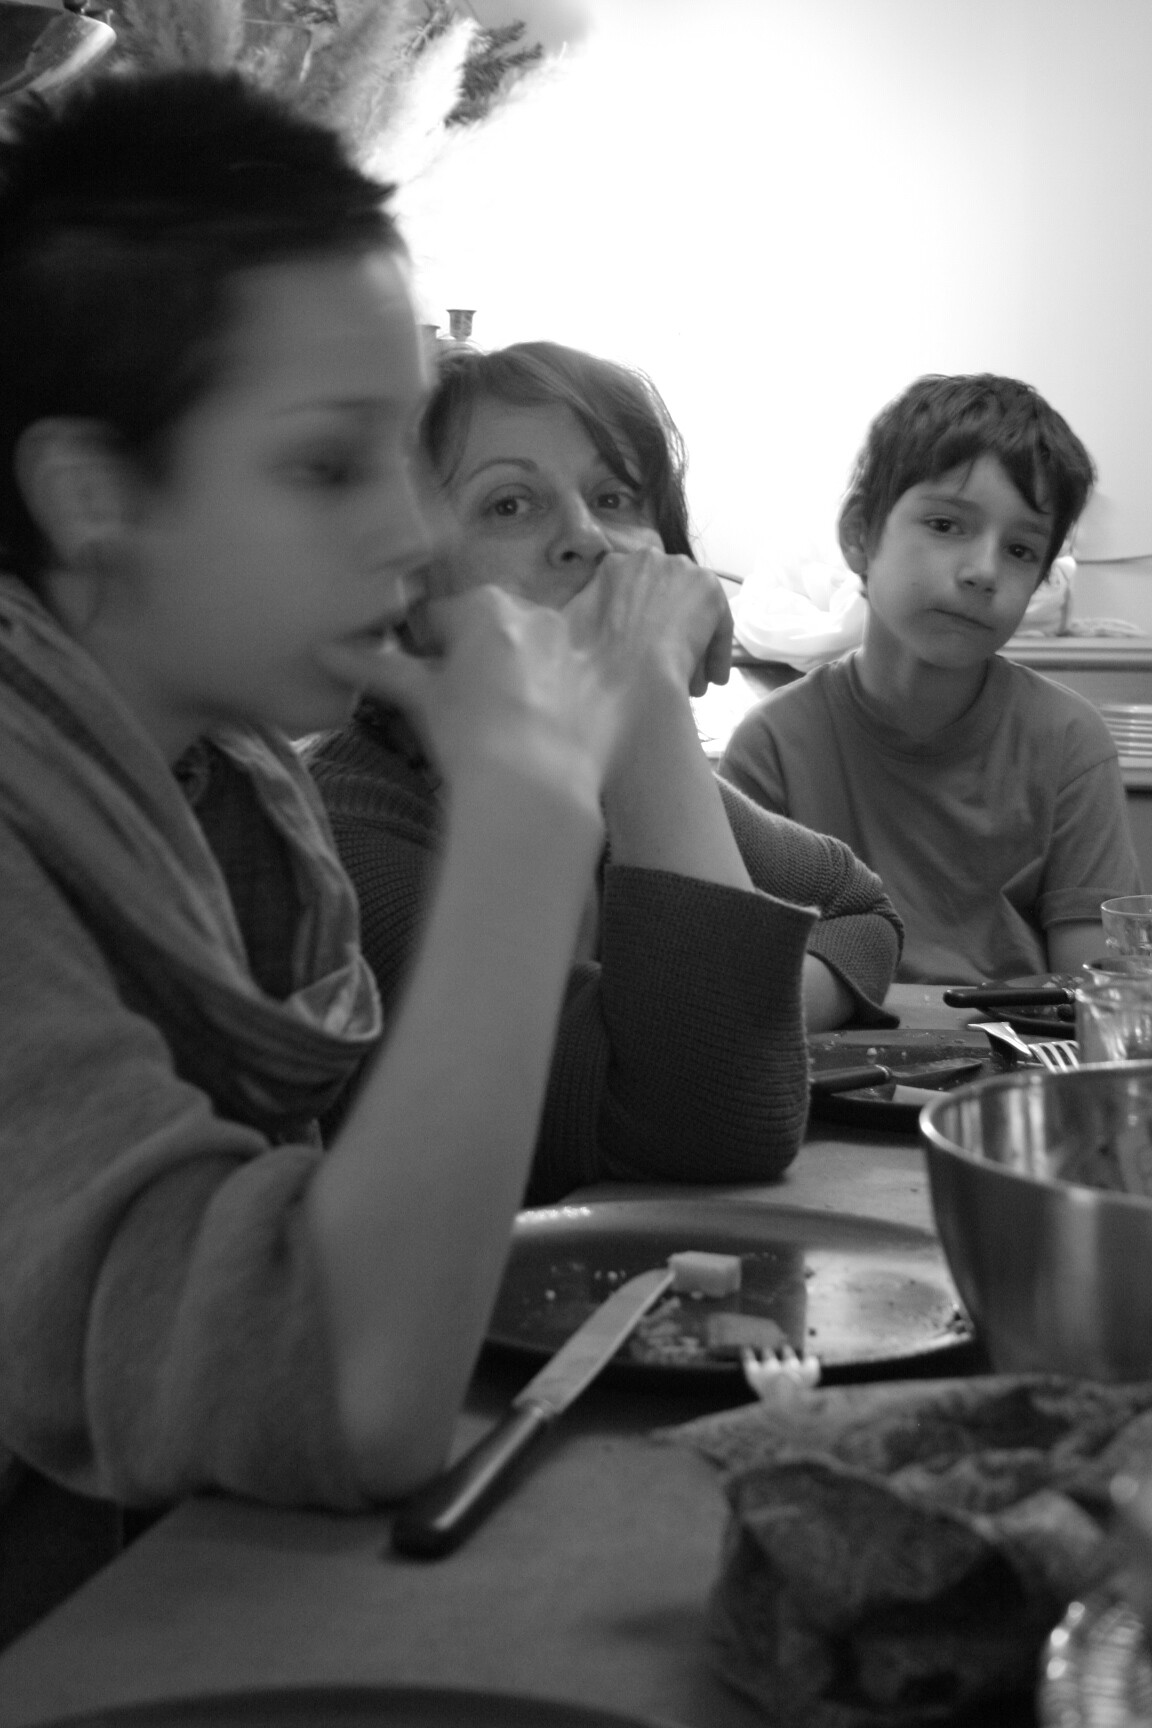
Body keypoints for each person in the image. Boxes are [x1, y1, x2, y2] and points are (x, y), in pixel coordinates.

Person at [0, 66, 744, 1534]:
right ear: (95, 497)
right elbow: (342, 1392)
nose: (408, 533)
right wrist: (531, 808)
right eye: (327, 463)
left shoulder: (231, 792)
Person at [308, 341, 904, 1194]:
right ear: (406, 585)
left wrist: (750, 1011)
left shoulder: (592, 774)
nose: (587, 539)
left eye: (614, 498)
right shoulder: (347, 847)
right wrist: (645, 686)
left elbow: (857, 907)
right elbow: (711, 1121)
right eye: (510, 504)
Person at [720, 373, 1142, 985]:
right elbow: (740, 981)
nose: (983, 571)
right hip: (827, 1041)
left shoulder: (1070, 743)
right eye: (945, 525)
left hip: (1016, 1044)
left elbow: (1093, 992)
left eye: (1021, 550)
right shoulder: (773, 747)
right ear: (859, 535)